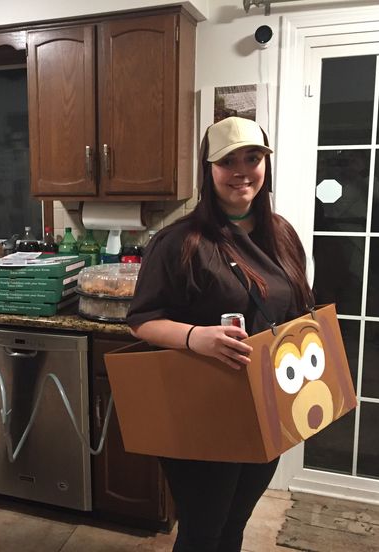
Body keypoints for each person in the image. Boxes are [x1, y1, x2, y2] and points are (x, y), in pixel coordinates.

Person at [126, 116, 313, 552]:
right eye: (227, 161)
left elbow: (296, 308)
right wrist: (198, 338)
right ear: (208, 171)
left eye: (253, 158)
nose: (241, 171)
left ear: (266, 165)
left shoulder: (281, 234)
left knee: (234, 524)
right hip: (200, 406)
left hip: (265, 404)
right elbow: (142, 319)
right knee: (202, 530)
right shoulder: (180, 241)